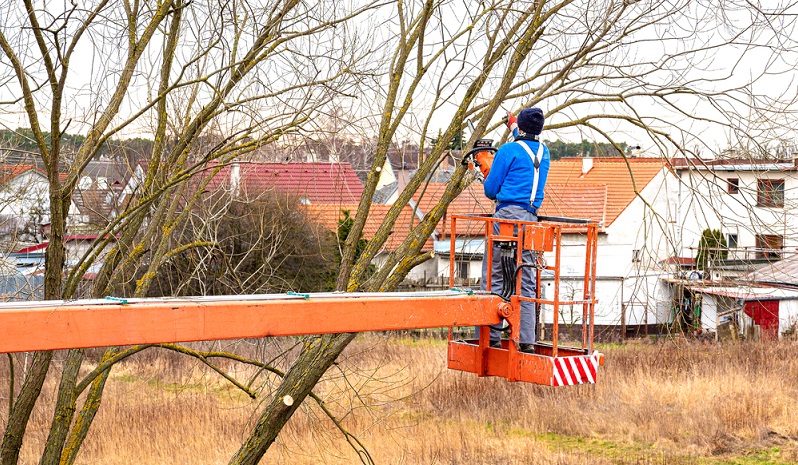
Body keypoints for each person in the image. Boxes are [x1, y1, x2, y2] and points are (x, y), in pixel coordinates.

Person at [481, 107, 550, 354]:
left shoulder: (508, 151)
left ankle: (491, 338)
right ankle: (526, 341)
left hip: (507, 218)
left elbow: (490, 190)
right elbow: (525, 142)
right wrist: (513, 126)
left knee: (495, 276)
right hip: (531, 221)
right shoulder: (544, 152)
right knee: (526, 281)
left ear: (520, 128)